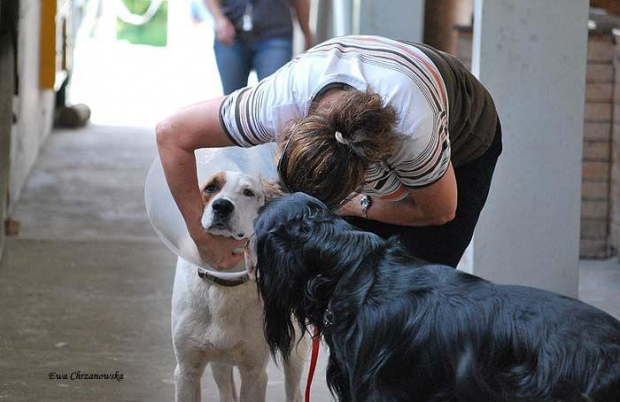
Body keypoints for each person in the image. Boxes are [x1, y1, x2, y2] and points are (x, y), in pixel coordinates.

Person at [156, 35, 502, 269]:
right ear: (287, 131)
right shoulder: (275, 104)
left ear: (366, 174)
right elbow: (171, 134)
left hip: (464, 133)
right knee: (344, 279)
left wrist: (358, 206)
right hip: (379, 84)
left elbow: (440, 211)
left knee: (415, 286)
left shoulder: (412, 131)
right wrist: (200, 236)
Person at [205, 0, 313, 94]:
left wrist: (307, 33)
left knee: (273, 97)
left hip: (275, 33)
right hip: (231, 34)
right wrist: (218, 18)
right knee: (230, 101)